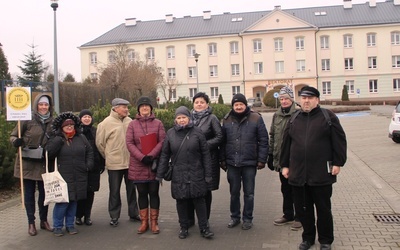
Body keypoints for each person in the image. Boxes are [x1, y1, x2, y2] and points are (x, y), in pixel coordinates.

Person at [280, 86, 347, 250]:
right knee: (303, 210)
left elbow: (339, 141)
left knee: (323, 209)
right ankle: (308, 238)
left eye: (310, 98)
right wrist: (285, 165)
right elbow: (286, 144)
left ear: (317, 100)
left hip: (321, 174)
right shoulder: (294, 118)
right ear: (300, 100)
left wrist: (338, 163)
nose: (306, 101)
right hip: (298, 174)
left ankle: (325, 240)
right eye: (303, 98)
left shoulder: (327, 116)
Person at [156, 106, 214, 239]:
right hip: (179, 173)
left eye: (184, 117)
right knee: (181, 201)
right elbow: (165, 155)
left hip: (196, 172)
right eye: (179, 118)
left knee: (199, 200)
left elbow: (205, 154)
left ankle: (204, 228)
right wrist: (160, 174)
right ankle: (184, 227)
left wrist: (208, 174)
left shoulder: (197, 132)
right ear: (175, 119)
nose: (181, 120)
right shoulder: (170, 134)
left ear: (189, 118)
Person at [220, 93, 269, 230]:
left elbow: (263, 140)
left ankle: (248, 218)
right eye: (236, 105)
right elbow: (222, 142)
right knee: (234, 193)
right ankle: (234, 217)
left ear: (245, 105)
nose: (239, 107)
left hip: (249, 163)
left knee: (249, 193)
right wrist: (222, 159)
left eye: (241, 104)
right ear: (233, 106)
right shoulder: (227, 120)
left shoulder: (256, 118)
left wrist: (261, 159)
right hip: (232, 163)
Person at [9, 94, 54, 236]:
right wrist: (16, 141)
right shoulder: (26, 120)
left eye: (46, 105)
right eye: (41, 104)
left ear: (49, 106)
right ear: (36, 105)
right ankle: (31, 222)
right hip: (27, 163)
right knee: (29, 195)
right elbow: (13, 135)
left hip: (44, 163)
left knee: (45, 194)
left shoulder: (53, 122)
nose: (43, 107)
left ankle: (44, 220)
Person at [46, 112, 94, 236]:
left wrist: (88, 165)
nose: (69, 127)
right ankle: (57, 226)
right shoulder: (57, 139)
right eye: (66, 125)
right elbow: (49, 154)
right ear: (61, 127)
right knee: (62, 203)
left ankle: (70, 225)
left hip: (79, 174)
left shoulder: (80, 137)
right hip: (63, 175)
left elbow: (89, 151)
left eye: (71, 125)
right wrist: (58, 141)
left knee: (74, 201)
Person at [96, 98, 140, 227]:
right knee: (114, 191)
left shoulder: (130, 122)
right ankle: (114, 216)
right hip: (114, 164)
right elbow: (100, 144)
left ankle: (134, 213)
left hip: (131, 162)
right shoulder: (105, 124)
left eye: (127, 107)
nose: (127, 109)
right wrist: (109, 155)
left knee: (132, 190)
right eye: (124, 107)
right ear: (115, 108)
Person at [126, 96, 166, 234]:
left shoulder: (158, 123)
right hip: (139, 165)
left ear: (151, 108)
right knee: (142, 193)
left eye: (147, 106)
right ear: (138, 109)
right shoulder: (132, 124)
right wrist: (142, 157)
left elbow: (162, 141)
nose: (144, 108)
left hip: (153, 164)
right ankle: (144, 222)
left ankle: (154, 222)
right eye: (142, 106)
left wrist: (152, 155)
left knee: (154, 193)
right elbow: (129, 143)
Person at [268, 86, 302, 231]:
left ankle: (300, 217)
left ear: (291, 99)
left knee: (297, 189)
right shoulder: (277, 115)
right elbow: (273, 135)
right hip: (281, 159)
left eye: (286, 98)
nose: (283, 101)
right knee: (285, 188)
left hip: (295, 159)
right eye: (281, 99)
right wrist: (270, 154)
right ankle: (288, 214)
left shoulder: (299, 114)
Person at [187, 92, 223, 227]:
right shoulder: (188, 118)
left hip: (208, 159)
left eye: (202, 102)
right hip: (191, 160)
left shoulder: (212, 118)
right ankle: (190, 220)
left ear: (207, 104)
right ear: (193, 104)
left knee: (206, 190)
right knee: (190, 188)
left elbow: (219, 137)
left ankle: (204, 220)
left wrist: (203, 146)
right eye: (197, 102)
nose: (199, 104)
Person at [75, 109, 105, 226]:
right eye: (84, 117)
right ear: (80, 119)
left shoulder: (96, 131)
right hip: (80, 167)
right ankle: (78, 215)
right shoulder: (77, 132)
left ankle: (87, 215)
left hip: (94, 167)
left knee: (90, 192)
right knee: (80, 192)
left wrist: (102, 163)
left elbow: (100, 146)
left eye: (89, 116)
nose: (87, 119)